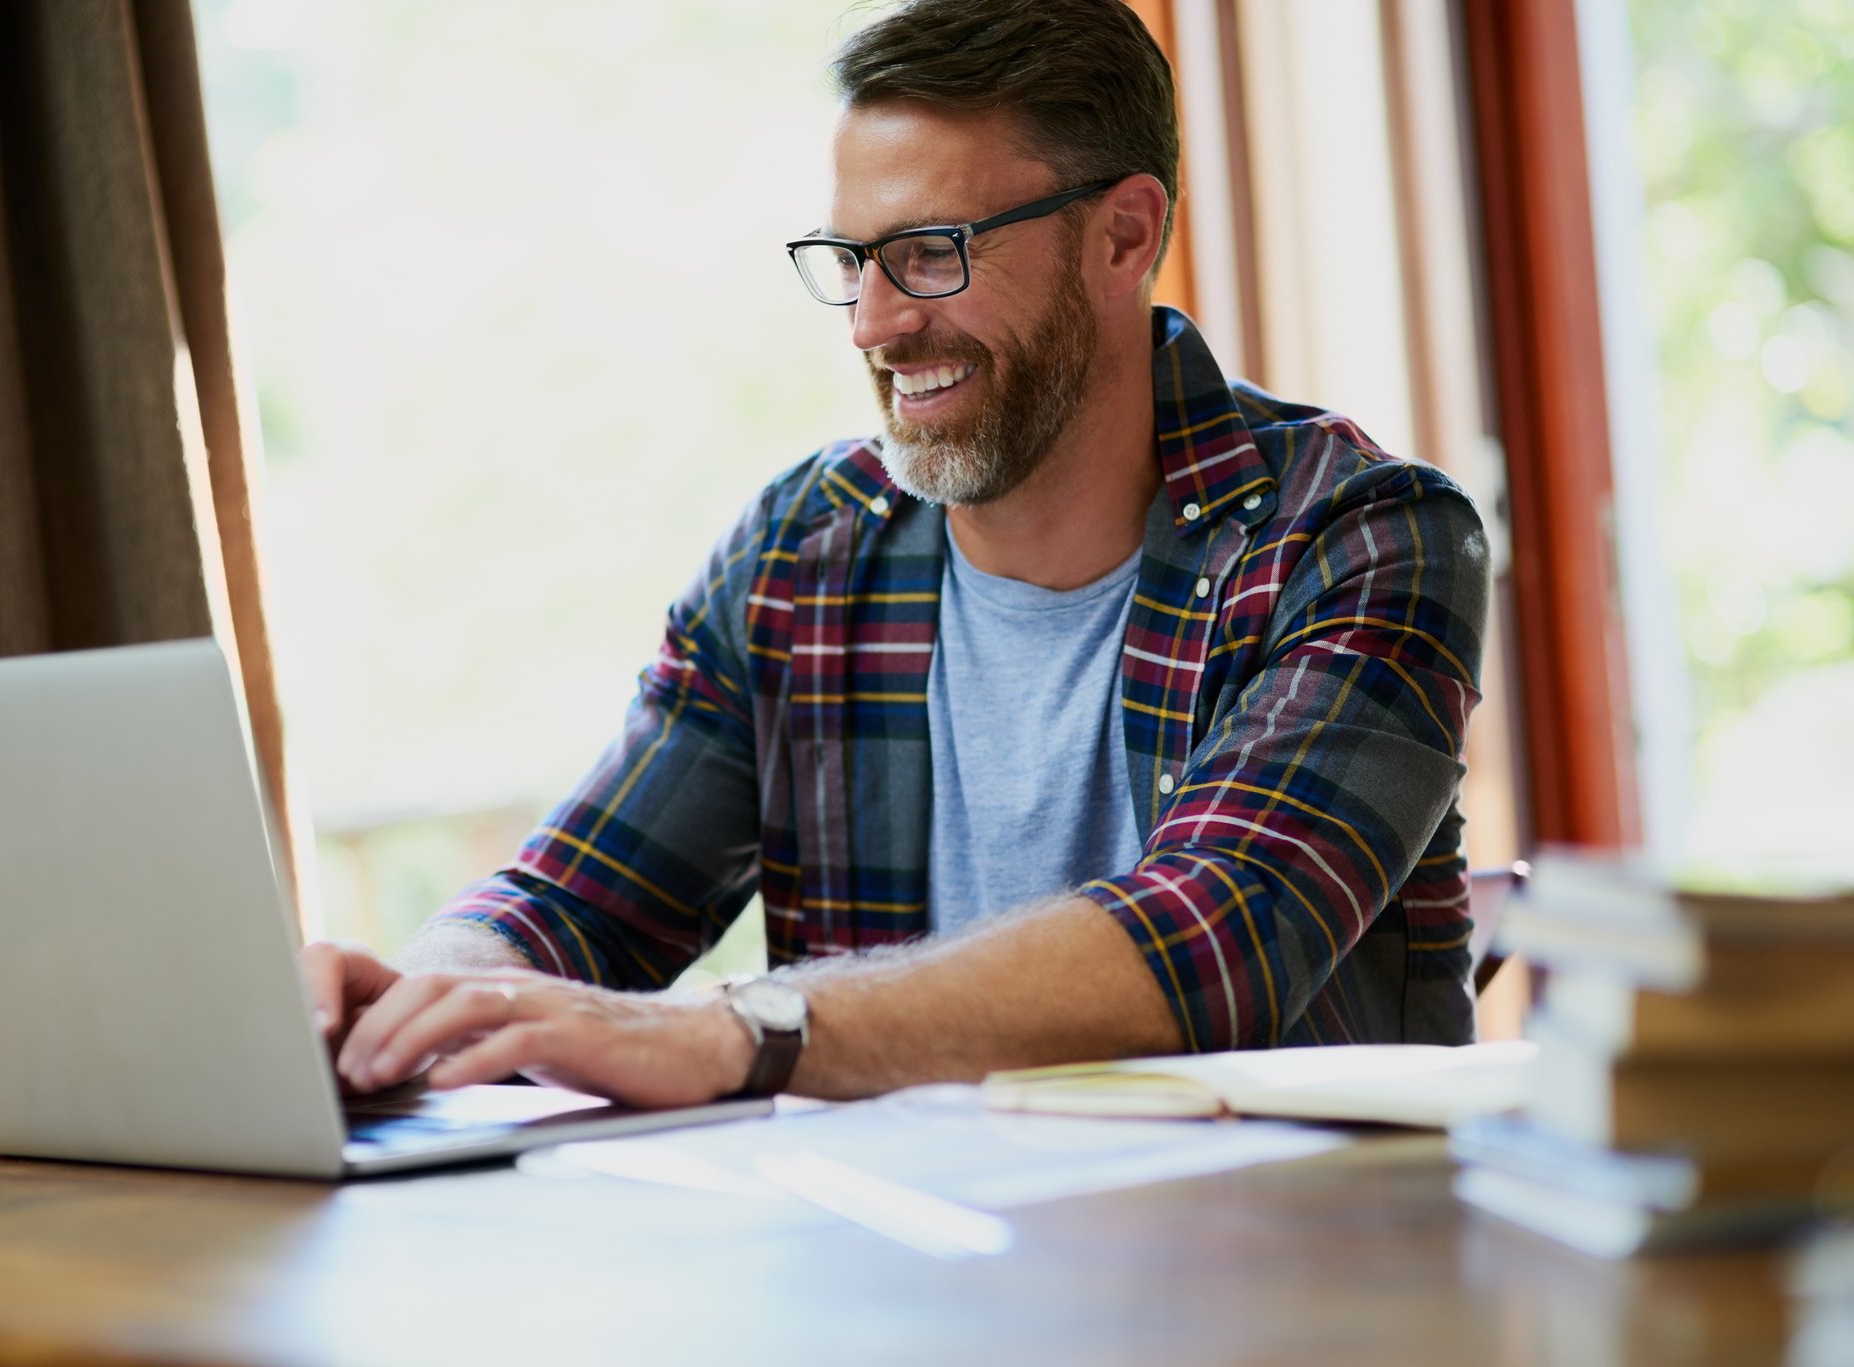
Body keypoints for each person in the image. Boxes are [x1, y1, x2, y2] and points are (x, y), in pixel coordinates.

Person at [305, 0, 1490, 1108]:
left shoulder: (1364, 540)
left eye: (930, 252)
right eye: (851, 260)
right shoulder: (802, 553)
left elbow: (1211, 938)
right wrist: (427, 997)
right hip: (900, 1249)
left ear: (1123, 236)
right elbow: (578, 901)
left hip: (1277, 1249)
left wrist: (737, 1030)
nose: (873, 325)